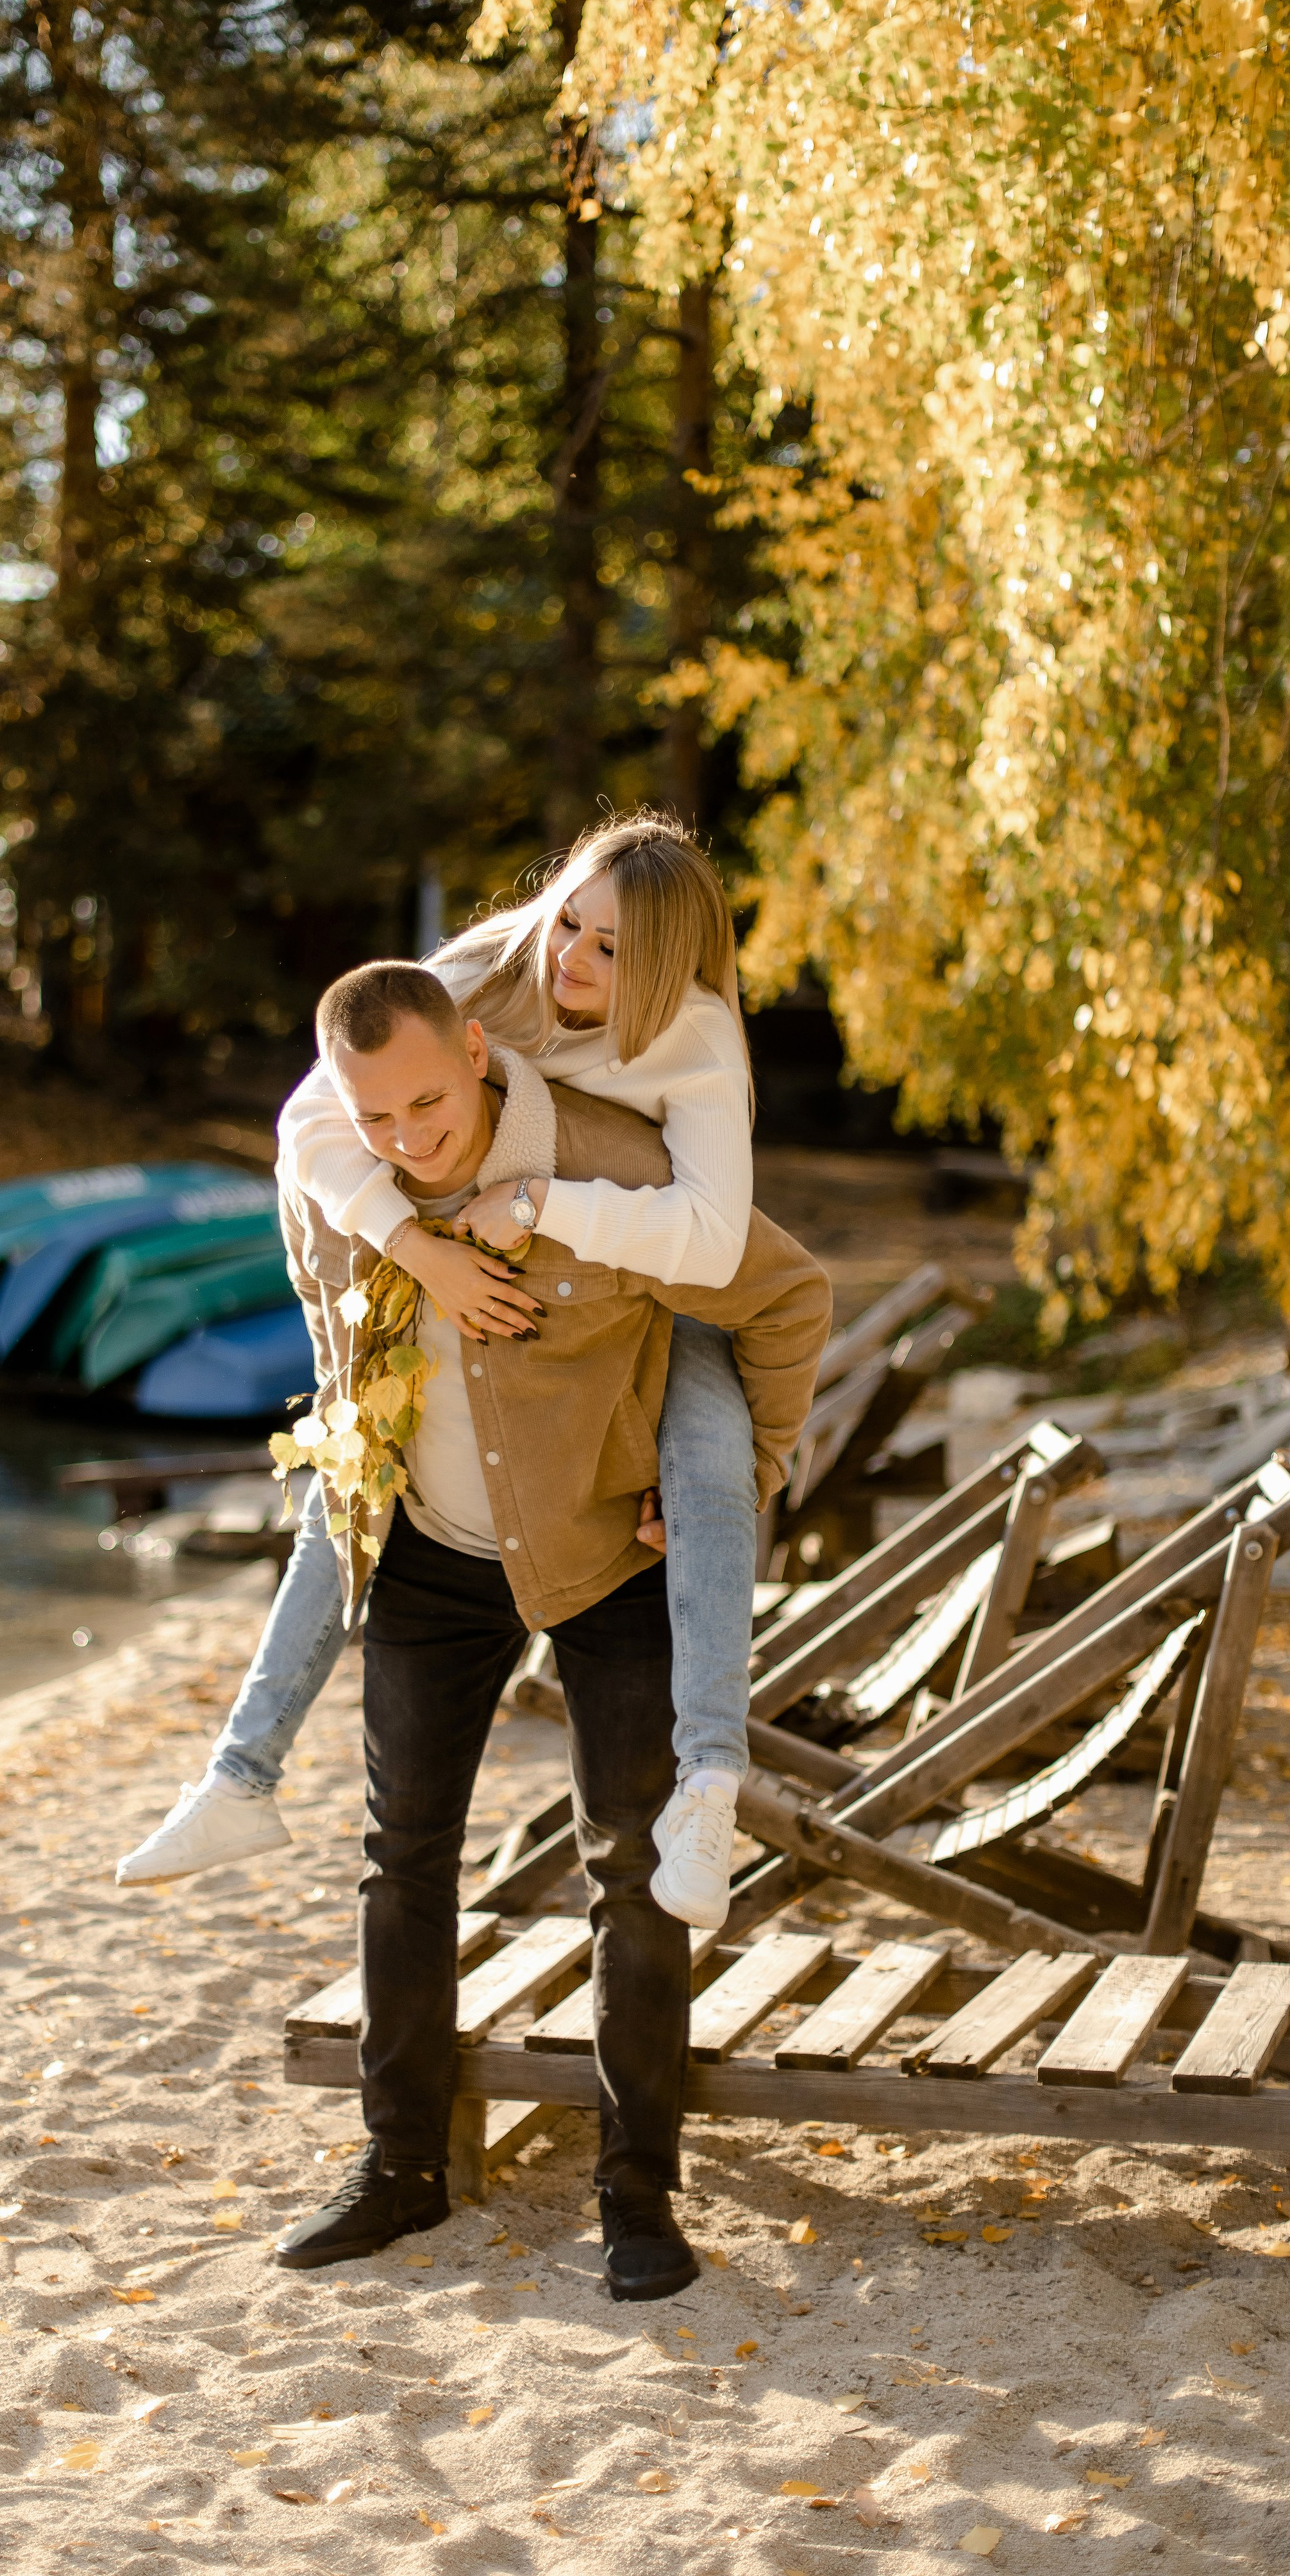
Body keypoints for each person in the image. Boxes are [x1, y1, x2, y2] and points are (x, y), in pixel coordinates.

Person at [263, 962, 829, 2293]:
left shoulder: (614, 1166)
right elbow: (328, 1331)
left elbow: (786, 1296)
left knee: (628, 1865)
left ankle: (638, 2195)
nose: (407, 1139)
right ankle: (399, 2169)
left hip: (601, 1550)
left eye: (424, 1104)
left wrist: (729, 1492)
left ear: (475, 1047)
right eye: (376, 1116)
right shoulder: (352, 1184)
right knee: (401, 1855)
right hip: (432, 1551)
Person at [118, 814, 776, 1929]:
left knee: (713, 1464)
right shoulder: (487, 974)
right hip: (455, 1256)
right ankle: (242, 1774)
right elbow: (310, 1124)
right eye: (570, 917)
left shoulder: (701, 1041)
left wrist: (539, 1204)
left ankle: (713, 1784)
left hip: (642, 1277)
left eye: (610, 948)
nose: (570, 957)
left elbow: (715, 1244)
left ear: (664, 964)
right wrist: (416, 1245)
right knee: (357, 1457)